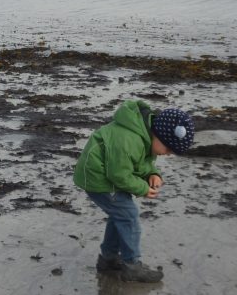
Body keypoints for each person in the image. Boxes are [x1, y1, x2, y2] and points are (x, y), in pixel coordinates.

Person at [73, 101, 194, 283]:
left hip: (107, 175)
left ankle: (108, 259)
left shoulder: (143, 136)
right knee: (129, 215)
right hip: (98, 178)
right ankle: (132, 266)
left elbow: (141, 162)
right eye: (168, 148)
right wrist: (143, 188)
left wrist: (152, 173)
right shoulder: (129, 140)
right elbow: (119, 174)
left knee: (120, 214)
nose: (168, 153)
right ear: (158, 134)